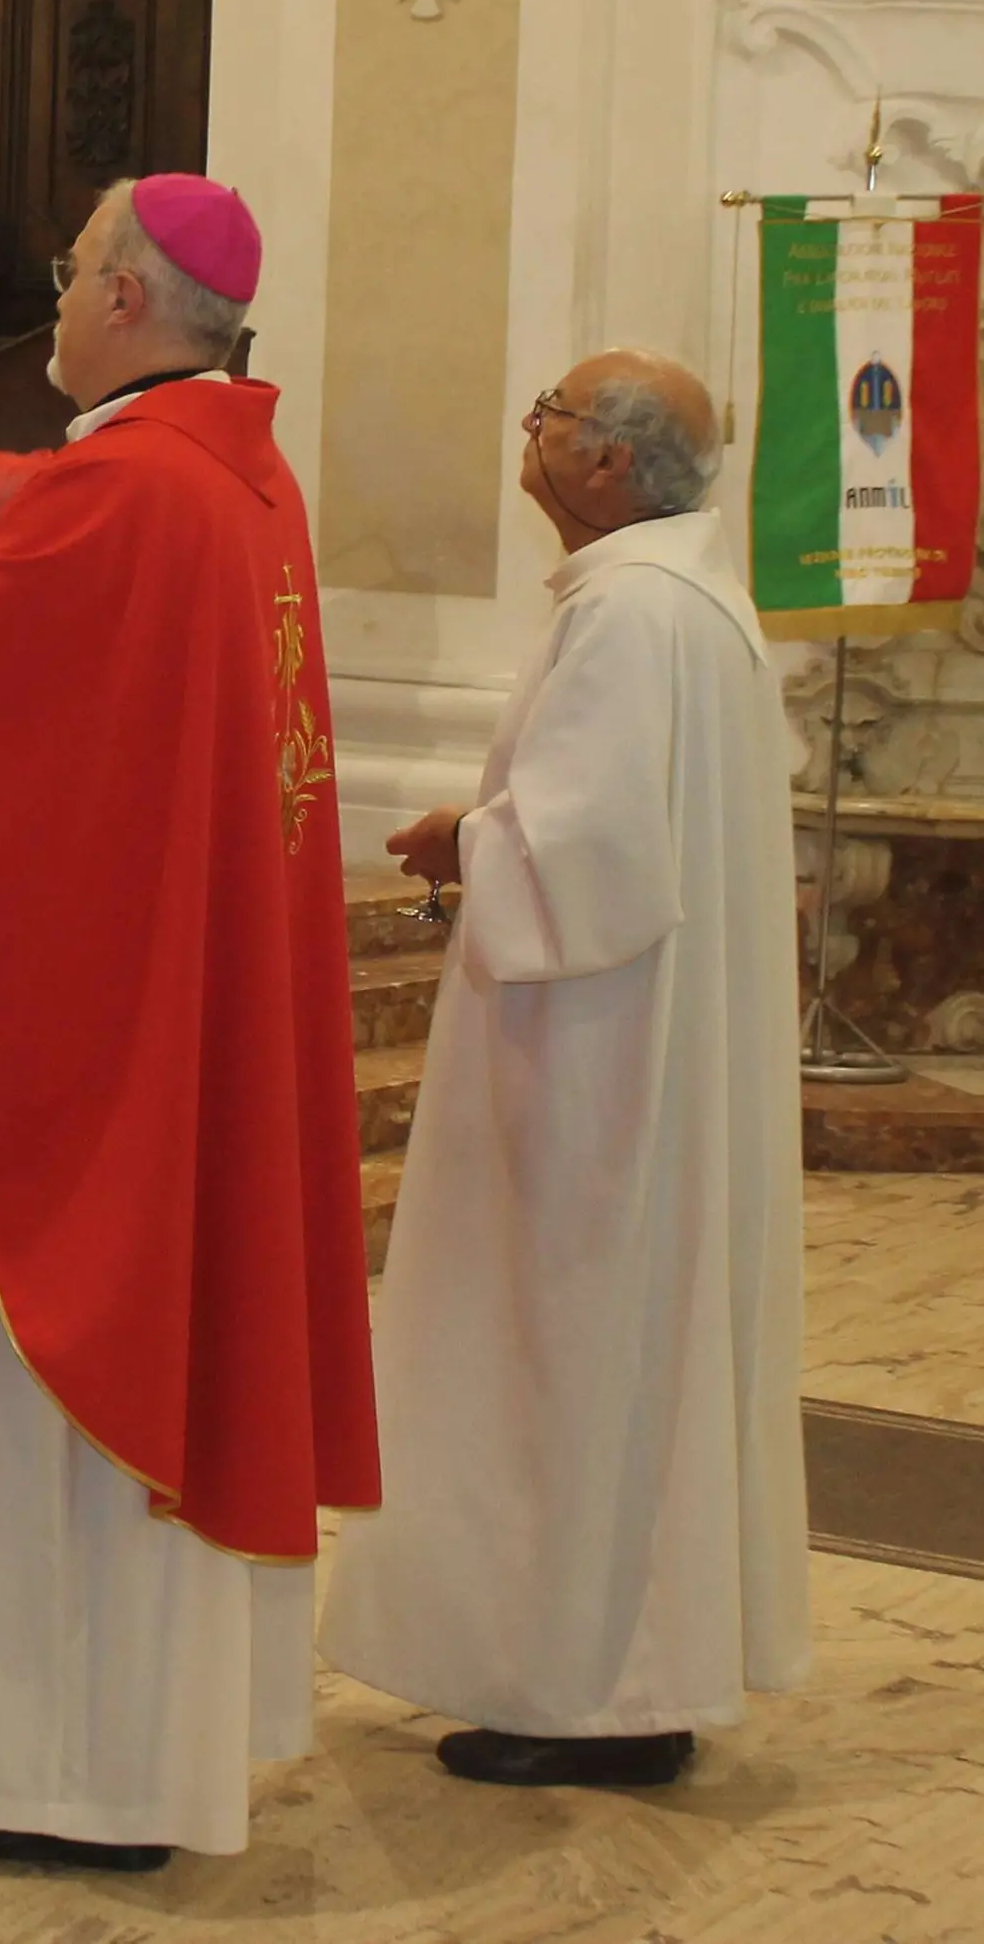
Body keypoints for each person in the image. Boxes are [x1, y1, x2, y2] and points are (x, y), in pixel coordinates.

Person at [0, 172, 378, 1867]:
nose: (51, 293)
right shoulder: (232, 475)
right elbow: (60, 546)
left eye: (67, 268)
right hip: (178, 1010)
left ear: (123, 294)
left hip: (85, 1052)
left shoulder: (137, 486)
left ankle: (53, 1775)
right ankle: (172, 1741)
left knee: (57, 1402)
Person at [319, 352, 810, 1788]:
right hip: (640, 1053)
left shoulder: (631, 617)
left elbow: (588, 856)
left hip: (599, 1071)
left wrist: (462, 843)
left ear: (607, 466)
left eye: (548, 414)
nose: (521, 429)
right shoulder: (692, 605)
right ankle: (617, 1671)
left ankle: (589, 1692)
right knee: (619, 1359)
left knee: (574, 1351)